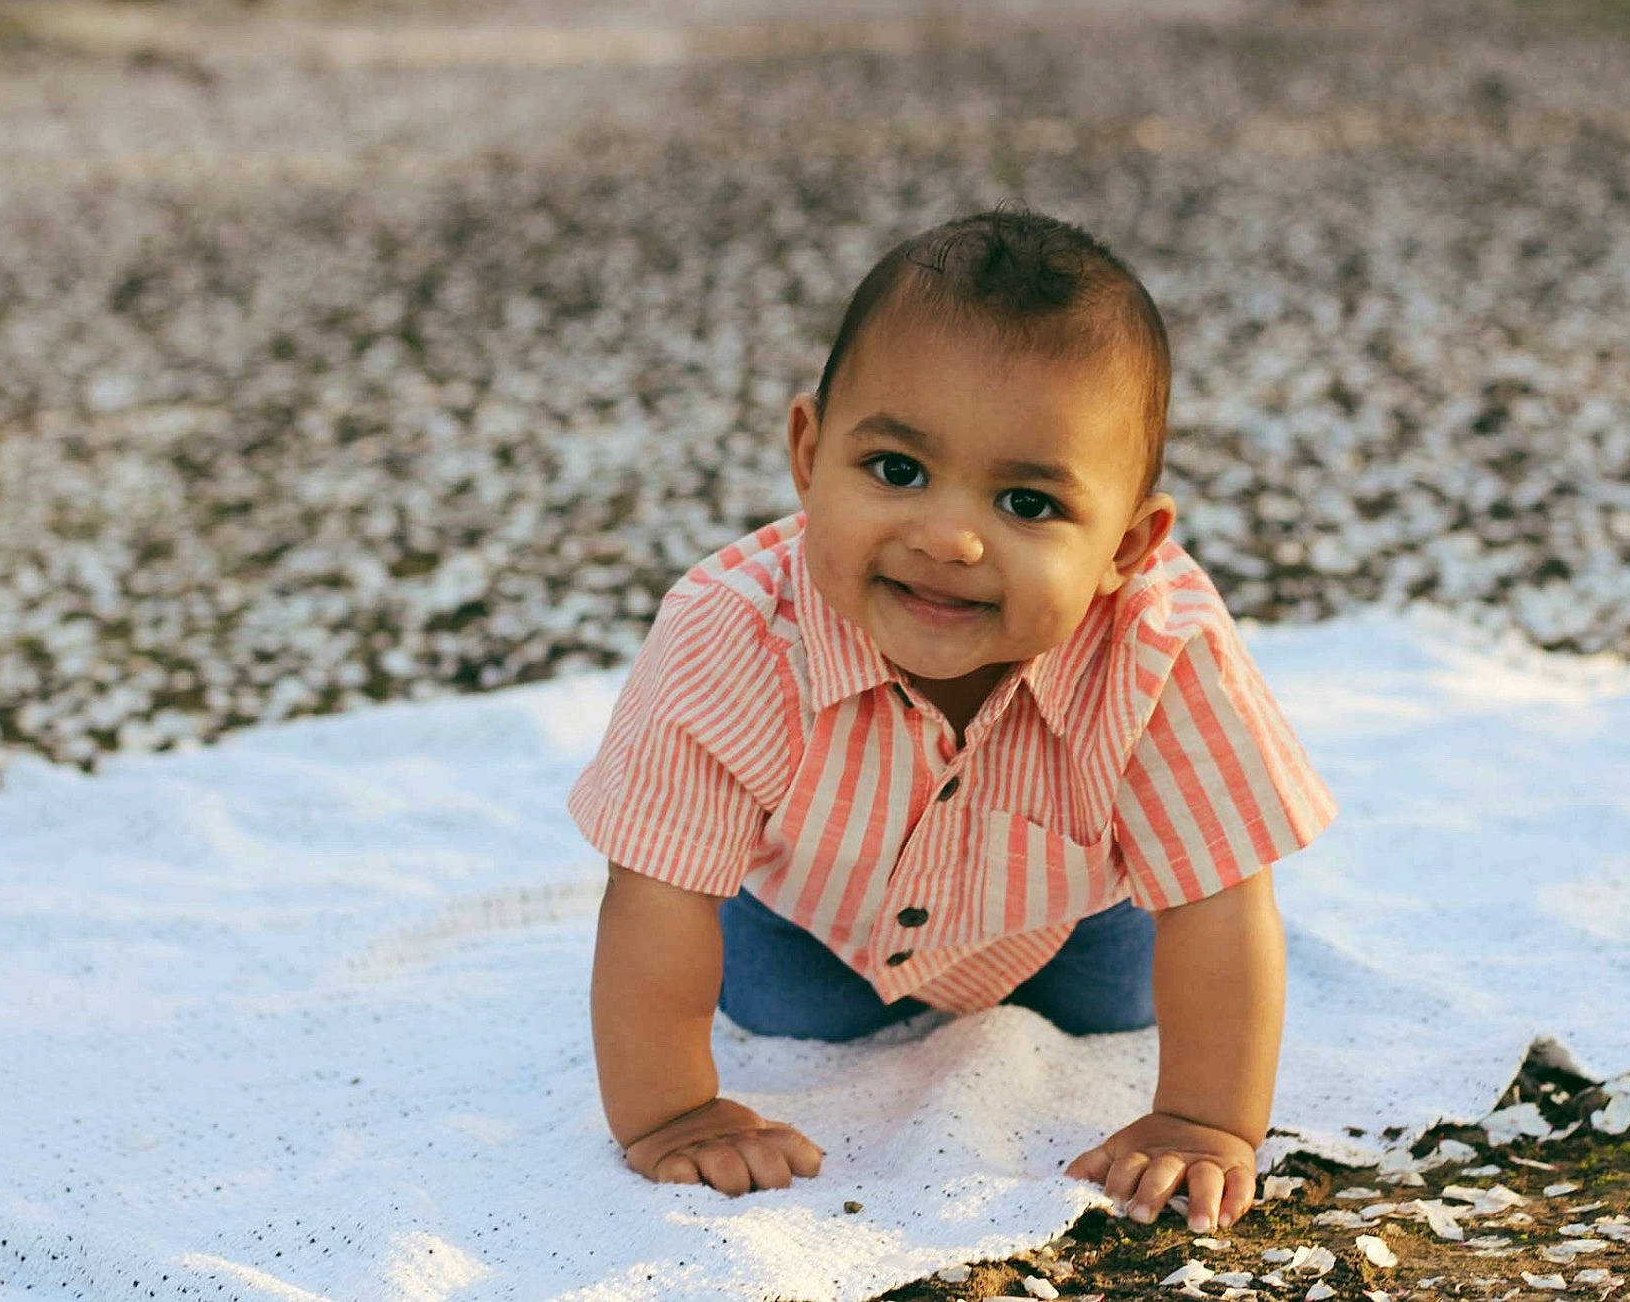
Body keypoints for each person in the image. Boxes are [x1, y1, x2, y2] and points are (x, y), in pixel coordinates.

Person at [567, 206, 1336, 1236]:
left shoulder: (1159, 647)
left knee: (1127, 1002)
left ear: (1127, 544)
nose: (947, 539)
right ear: (807, 452)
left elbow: (1219, 898)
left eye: (1025, 503)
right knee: (783, 1013)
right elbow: (658, 890)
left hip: (1065, 924)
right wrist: (670, 1112)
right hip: (813, 924)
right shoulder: (732, 634)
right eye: (895, 471)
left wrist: (1205, 1120)